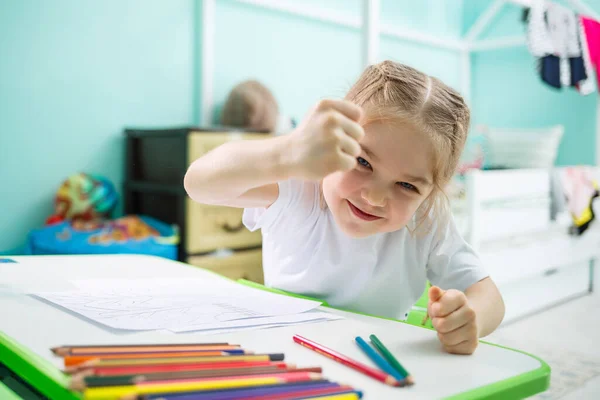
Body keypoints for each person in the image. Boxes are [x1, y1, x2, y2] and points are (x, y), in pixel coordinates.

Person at [184, 60, 505, 355]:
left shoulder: (427, 217)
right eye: (362, 162)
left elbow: (488, 295)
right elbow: (198, 182)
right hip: (288, 353)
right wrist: (287, 153)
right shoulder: (301, 184)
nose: (376, 198)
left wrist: (469, 318)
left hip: (381, 363)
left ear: (430, 193)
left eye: (407, 186)